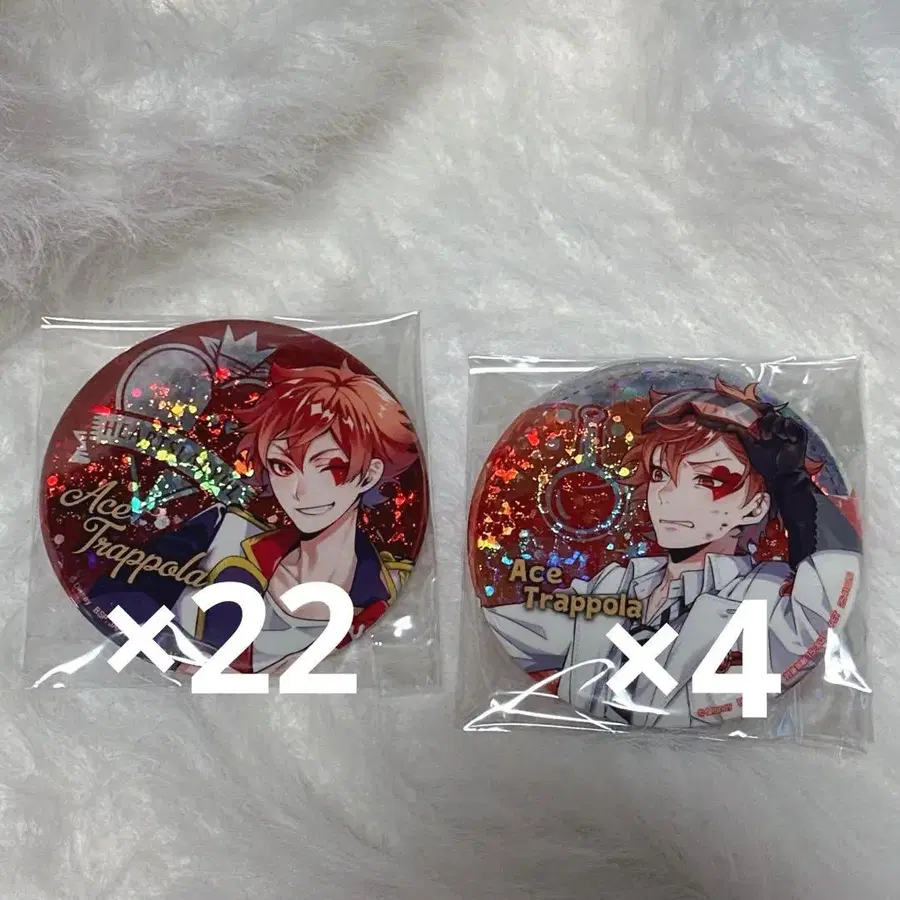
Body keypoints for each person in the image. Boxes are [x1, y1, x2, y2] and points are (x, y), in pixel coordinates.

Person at [483, 377, 861, 727]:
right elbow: (513, 625)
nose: (667, 495)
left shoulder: (767, 597)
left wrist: (794, 486)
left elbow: (830, 588)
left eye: (706, 479)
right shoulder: (615, 584)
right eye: (660, 474)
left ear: (755, 507)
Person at [91, 361, 419, 673]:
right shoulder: (225, 533)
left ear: (369, 474)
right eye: (282, 467)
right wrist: (181, 659)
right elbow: (105, 595)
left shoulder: (392, 587)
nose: (300, 492)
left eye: (329, 466)